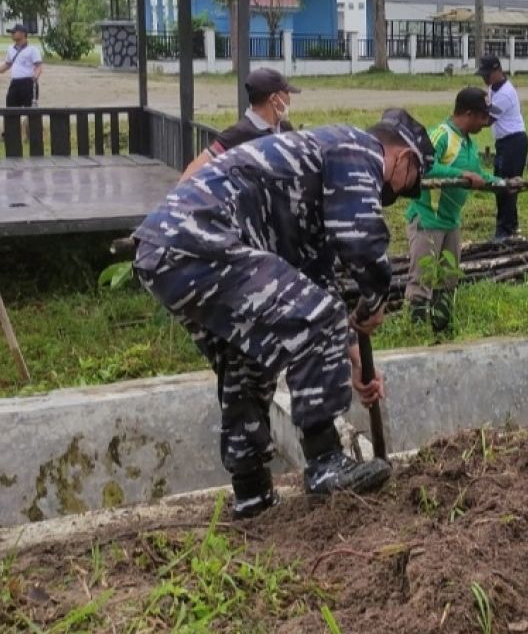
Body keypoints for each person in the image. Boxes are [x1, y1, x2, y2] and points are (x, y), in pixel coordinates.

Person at [132, 109, 435, 519]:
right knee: (322, 318)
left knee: (250, 362)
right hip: (201, 238)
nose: (399, 195)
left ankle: (252, 495)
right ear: (404, 159)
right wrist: (376, 299)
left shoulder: (317, 173)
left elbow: (315, 274)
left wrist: (354, 357)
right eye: (408, 186)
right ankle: (325, 460)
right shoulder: (356, 149)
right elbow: (361, 240)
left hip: (165, 252)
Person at [405, 87, 498, 332]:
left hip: (451, 222)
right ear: (468, 114)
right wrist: (460, 174)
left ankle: (441, 329)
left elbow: (478, 175)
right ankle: (416, 333)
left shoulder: (468, 143)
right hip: (428, 219)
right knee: (423, 278)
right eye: (482, 117)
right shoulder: (441, 135)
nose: (485, 123)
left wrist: (502, 184)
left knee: (448, 278)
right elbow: (424, 166)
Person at [180, 67, 298, 182]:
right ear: (274, 99)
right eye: (286, 93)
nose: (289, 98)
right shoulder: (238, 134)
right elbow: (196, 168)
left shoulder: (284, 128)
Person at [478, 55, 528, 240]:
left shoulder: (506, 93)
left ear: (497, 71)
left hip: (514, 142)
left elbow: (487, 119)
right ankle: (510, 225)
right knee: (500, 184)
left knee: (508, 186)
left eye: (487, 74)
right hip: (503, 142)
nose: (484, 79)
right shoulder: (493, 87)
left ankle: (505, 230)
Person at [1, 24, 42, 139]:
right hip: (15, 83)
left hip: (28, 83)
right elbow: (7, 64)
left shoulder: (32, 50)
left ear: (23, 34)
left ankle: (31, 135)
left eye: (15, 32)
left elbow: (38, 66)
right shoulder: (10, 49)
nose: (12, 34)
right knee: (10, 109)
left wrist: (36, 75)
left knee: (30, 111)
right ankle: (9, 134)